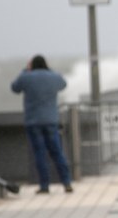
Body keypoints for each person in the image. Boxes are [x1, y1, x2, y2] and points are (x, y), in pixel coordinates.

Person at [11, 55, 73, 194]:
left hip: (33, 121)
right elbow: (63, 83)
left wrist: (25, 70)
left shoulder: (26, 76)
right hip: (51, 120)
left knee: (40, 154)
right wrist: (48, 70)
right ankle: (66, 182)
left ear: (31, 65)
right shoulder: (53, 77)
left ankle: (44, 186)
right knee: (57, 152)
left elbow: (14, 88)